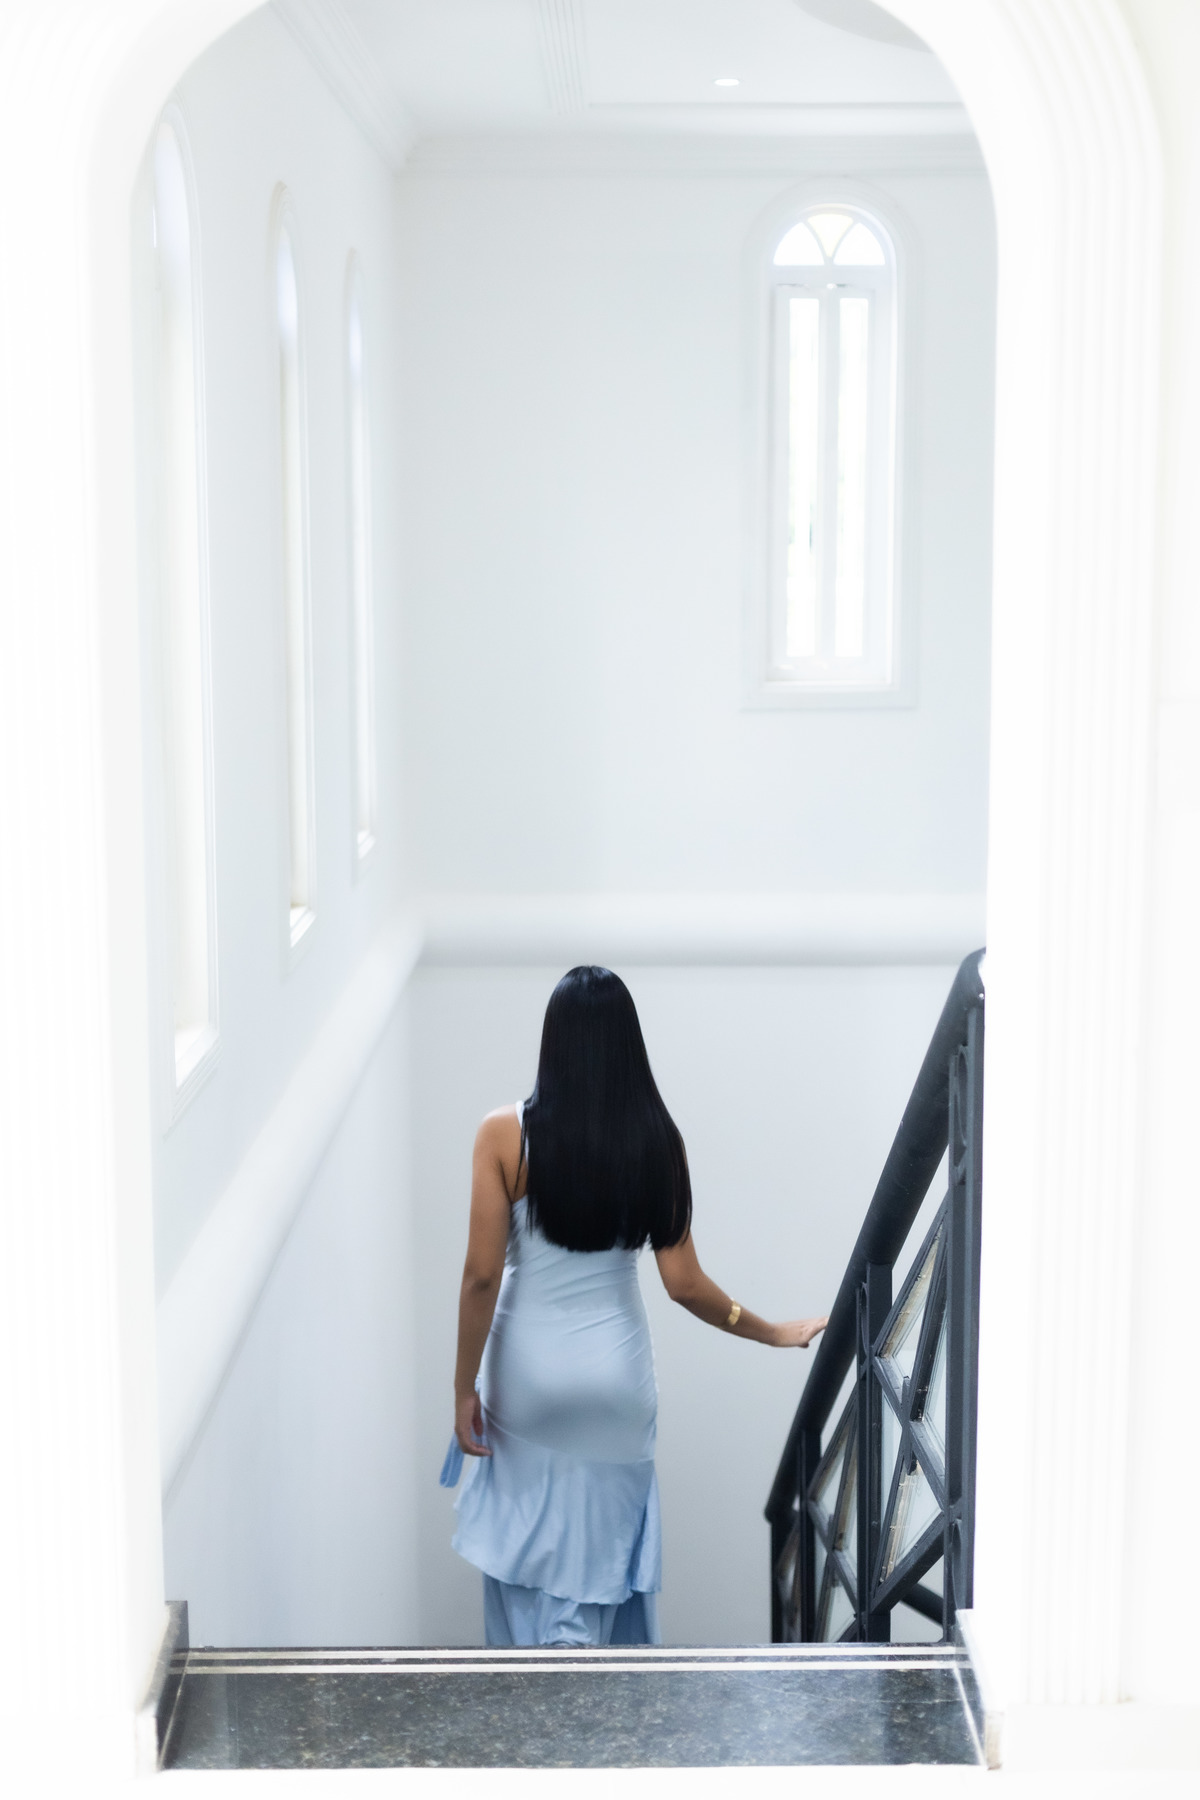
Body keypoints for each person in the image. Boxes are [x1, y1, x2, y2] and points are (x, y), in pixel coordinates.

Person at [438, 965, 827, 1648]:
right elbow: (685, 1284)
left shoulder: (503, 1135)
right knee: (598, 1564)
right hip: (616, 1386)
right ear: (629, 1047)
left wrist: (462, 1386)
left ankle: (538, 1687)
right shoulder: (658, 1144)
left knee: (528, 1561)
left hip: (527, 1384)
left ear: (553, 1043)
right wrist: (771, 1332)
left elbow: (480, 1278)